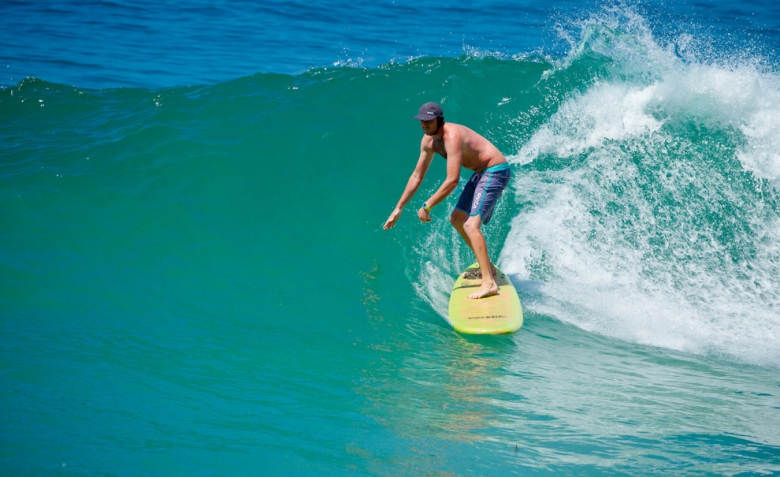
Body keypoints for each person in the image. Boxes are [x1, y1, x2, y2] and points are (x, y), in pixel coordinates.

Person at [383, 102, 511, 299]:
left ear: (439, 120)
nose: (425, 124)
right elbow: (417, 175)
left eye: (429, 120)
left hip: (495, 170)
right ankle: (489, 269)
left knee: (471, 225)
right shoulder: (428, 141)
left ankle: (489, 283)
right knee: (457, 219)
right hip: (480, 172)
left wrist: (427, 205)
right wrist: (398, 208)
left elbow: (452, 181)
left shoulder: (452, 137)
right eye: (422, 121)